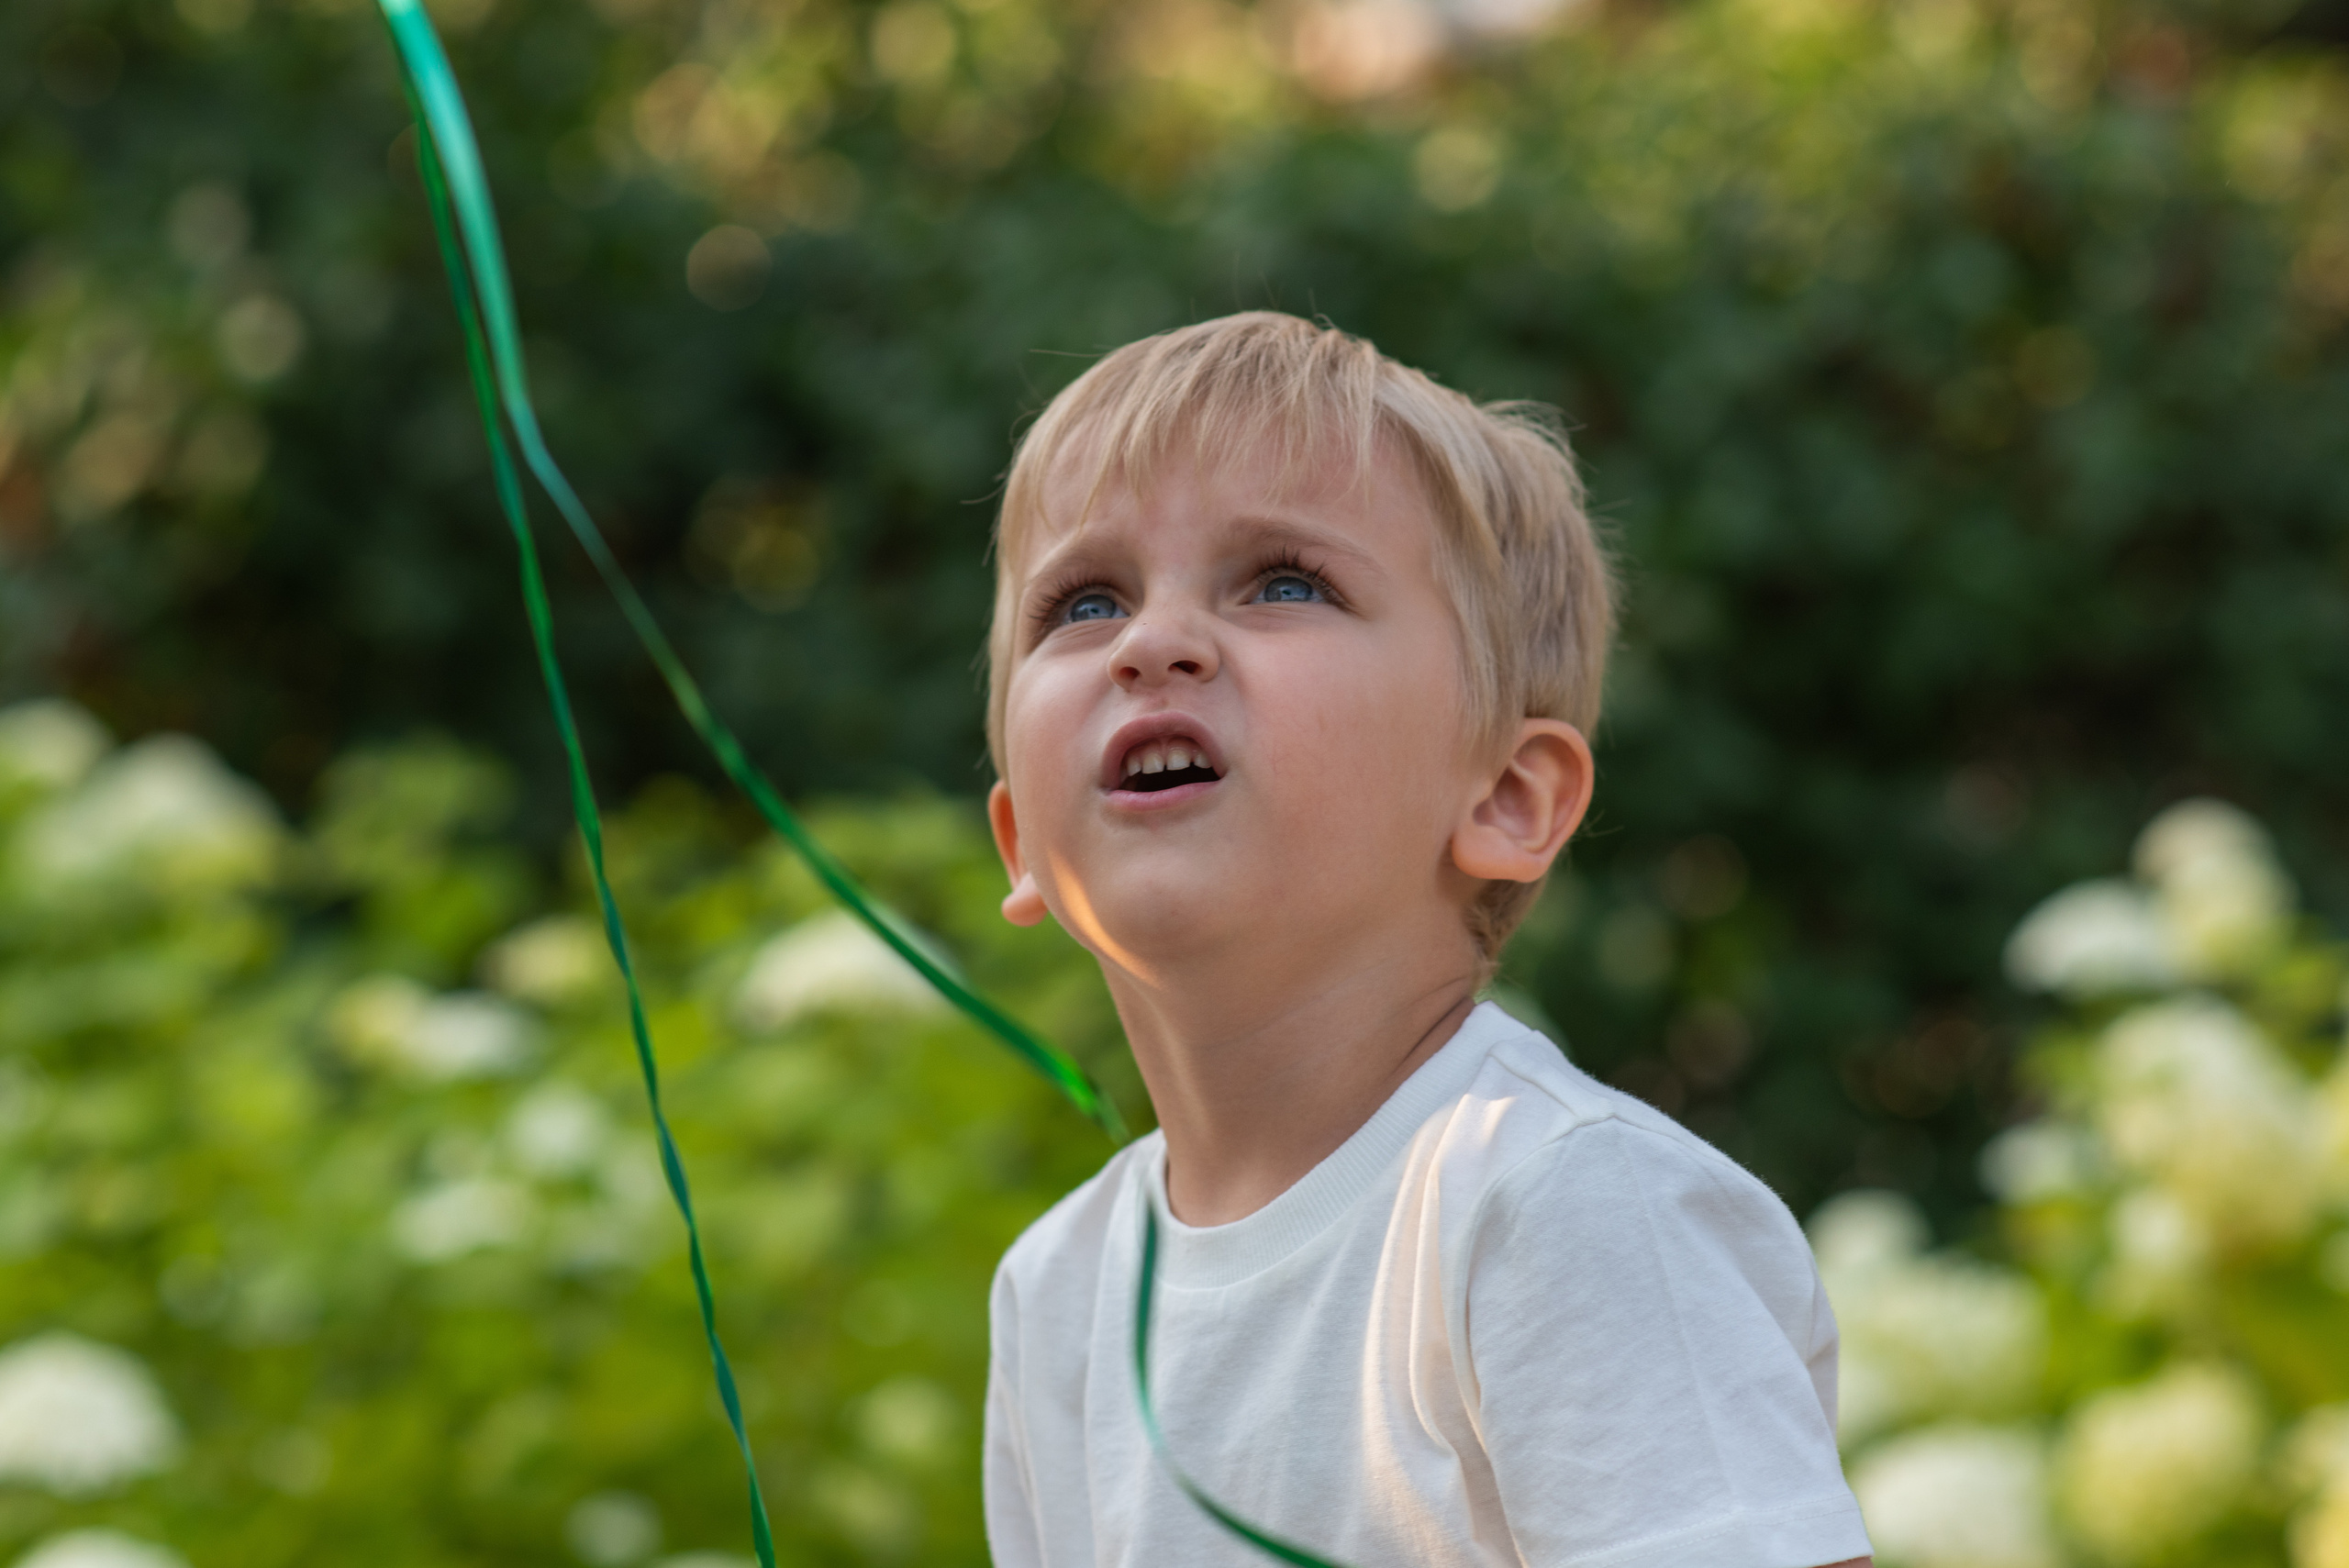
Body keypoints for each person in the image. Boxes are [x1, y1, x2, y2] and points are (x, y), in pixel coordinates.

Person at [978, 312, 1874, 1568]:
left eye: (1285, 583)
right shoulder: (1058, 1291)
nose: (1152, 642)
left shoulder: (1560, 1202)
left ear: (1506, 798)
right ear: (1020, 841)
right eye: (1084, 602)